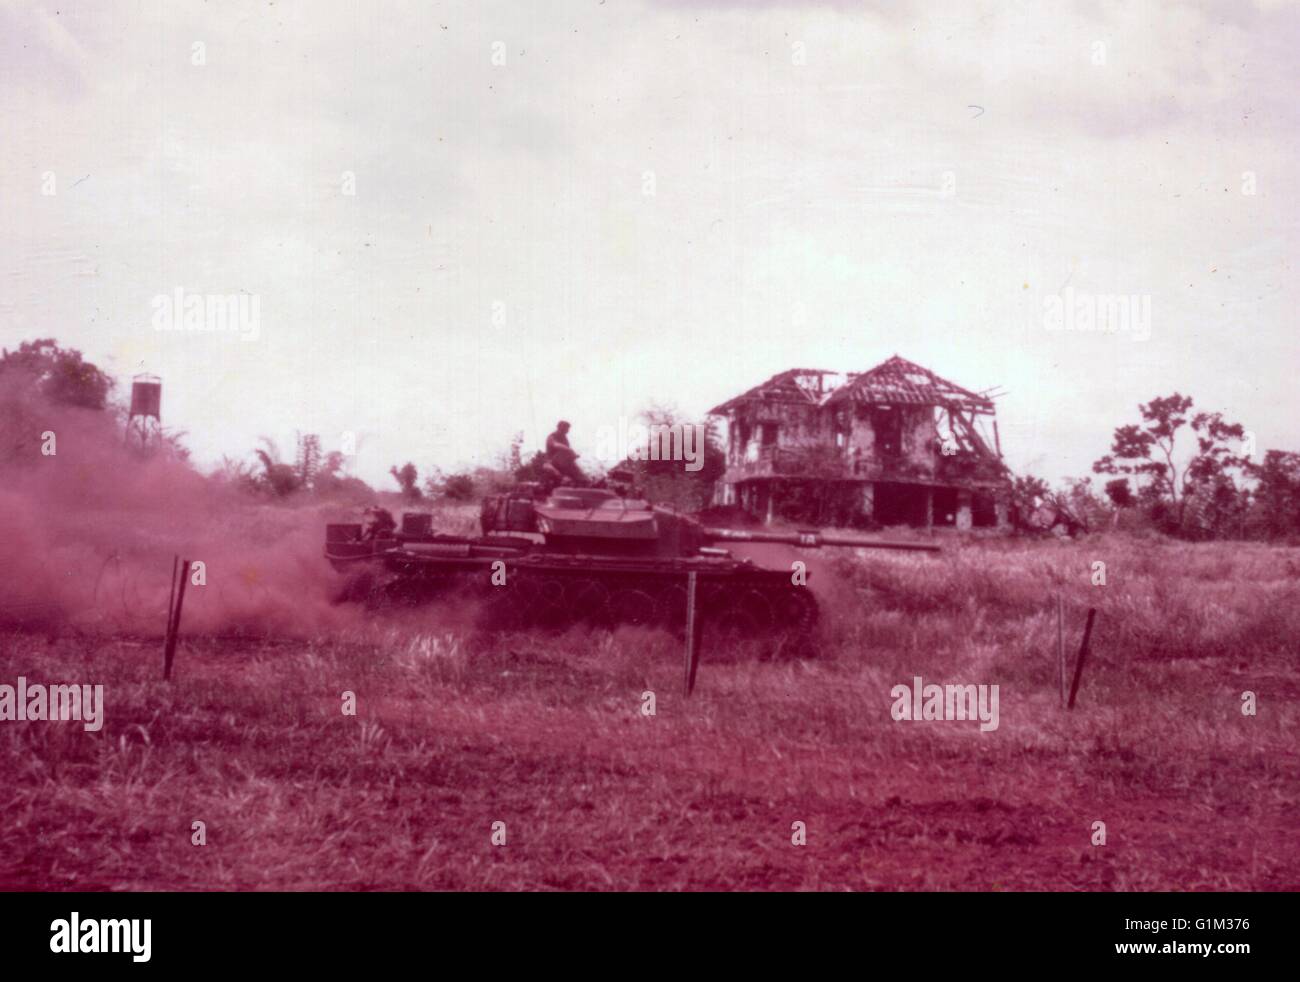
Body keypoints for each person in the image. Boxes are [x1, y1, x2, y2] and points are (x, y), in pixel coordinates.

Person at [544, 420, 587, 485]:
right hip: (552, 463)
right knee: (564, 452)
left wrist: (572, 456)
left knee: (574, 464)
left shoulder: (564, 438)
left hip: (563, 464)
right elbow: (555, 445)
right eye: (565, 429)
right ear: (559, 427)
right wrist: (570, 450)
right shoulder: (552, 436)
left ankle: (584, 480)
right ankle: (566, 478)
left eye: (567, 429)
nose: (566, 431)